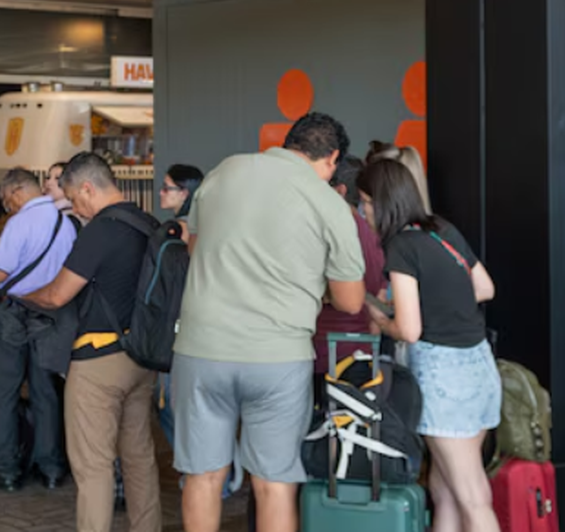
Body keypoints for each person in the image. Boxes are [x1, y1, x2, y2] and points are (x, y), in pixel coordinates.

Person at [173, 112, 366, 532]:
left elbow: (195, 248)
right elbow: (351, 301)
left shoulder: (226, 171)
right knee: (274, 482)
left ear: (289, 142)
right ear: (332, 158)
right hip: (278, 357)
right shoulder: (329, 203)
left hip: (203, 348)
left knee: (203, 476)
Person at [23, 152, 162, 532]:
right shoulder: (147, 223)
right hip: (141, 358)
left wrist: (24, 295)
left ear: (87, 187)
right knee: (139, 457)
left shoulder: (101, 229)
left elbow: (57, 296)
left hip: (99, 362)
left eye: (75, 198)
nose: (77, 209)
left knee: (93, 465)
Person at [362, 158, 498, 532]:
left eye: (367, 203)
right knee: (445, 489)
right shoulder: (442, 230)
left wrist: (380, 320)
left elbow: (408, 330)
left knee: (471, 495)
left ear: (382, 202)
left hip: (444, 377)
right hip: (479, 368)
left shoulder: (402, 246)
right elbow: (485, 288)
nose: (365, 212)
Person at [0, 166, 78, 491]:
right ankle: (50, 468)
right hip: (52, 315)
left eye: (8, 201)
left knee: (5, 393)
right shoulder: (67, 224)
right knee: (45, 393)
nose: (9, 207)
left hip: (15, 313)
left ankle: (6, 470)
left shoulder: (19, 223)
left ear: (17, 192)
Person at [313, 154, 386, 373]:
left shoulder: (338, 231)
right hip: (357, 351)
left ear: (340, 191)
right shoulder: (369, 233)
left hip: (329, 351)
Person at [154, 163, 204, 450]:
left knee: (173, 405)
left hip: (178, 325)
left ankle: (202, 473)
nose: (161, 193)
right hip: (193, 325)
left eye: (167, 188)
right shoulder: (204, 226)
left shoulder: (180, 232)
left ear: (185, 193)